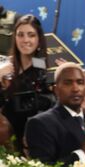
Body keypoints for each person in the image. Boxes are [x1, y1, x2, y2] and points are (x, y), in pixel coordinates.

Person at [24, 62, 85, 167]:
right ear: (56, 90)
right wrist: (81, 155)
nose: (75, 89)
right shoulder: (40, 123)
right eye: (68, 83)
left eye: (80, 82)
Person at [0, 13, 53, 149]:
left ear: (39, 39)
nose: (25, 40)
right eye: (20, 34)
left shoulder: (41, 68)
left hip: (27, 139)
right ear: (15, 37)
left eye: (31, 35)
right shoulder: (4, 64)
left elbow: (44, 107)